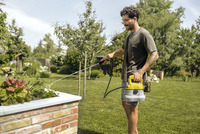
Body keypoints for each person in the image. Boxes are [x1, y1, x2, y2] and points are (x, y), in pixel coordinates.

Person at [100, 6, 159, 134]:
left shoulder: (144, 34)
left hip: (135, 79)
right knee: (125, 104)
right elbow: (122, 50)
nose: (124, 23)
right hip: (126, 77)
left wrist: (141, 72)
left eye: (126, 20)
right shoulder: (128, 35)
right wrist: (109, 55)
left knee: (132, 108)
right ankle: (135, 131)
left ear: (135, 19)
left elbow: (154, 55)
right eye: (123, 20)